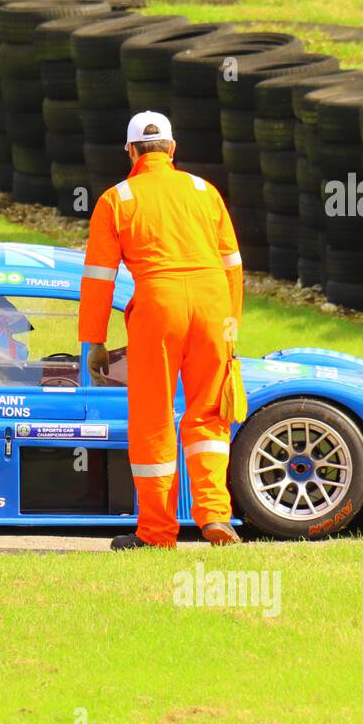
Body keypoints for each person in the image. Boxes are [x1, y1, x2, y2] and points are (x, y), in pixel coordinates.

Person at [78, 111, 245, 550]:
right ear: (172, 149)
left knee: (153, 420)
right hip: (213, 307)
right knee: (209, 413)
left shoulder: (118, 199)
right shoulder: (204, 192)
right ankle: (214, 517)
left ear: (130, 151)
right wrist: (230, 329)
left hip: (159, 309)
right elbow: (233, 267)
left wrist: (93, 340)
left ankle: (156, 533)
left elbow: (99, 278)